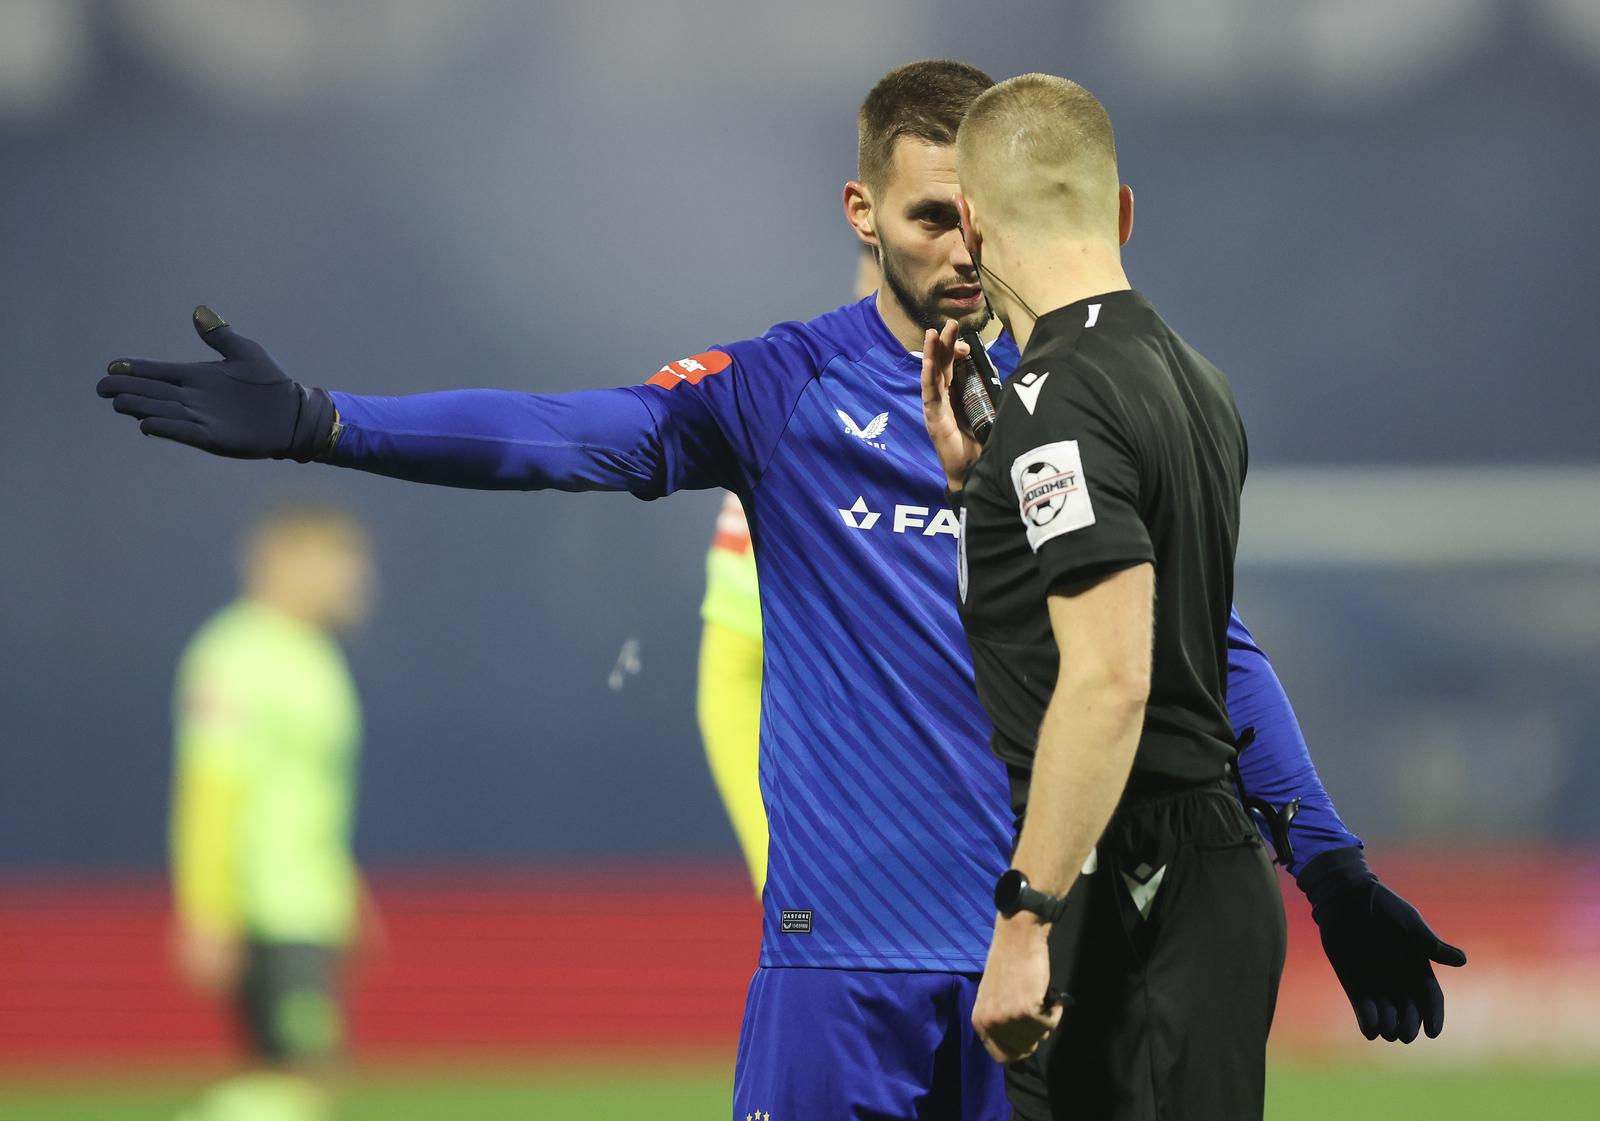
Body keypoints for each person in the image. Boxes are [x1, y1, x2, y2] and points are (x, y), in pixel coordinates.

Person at [98, 61, 1452, 1120]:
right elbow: (568, 435)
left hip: (1037, 965)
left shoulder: (1062, 412)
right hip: (839, 967)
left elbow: (1203, 653)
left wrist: (1325, 855)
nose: (964, 250)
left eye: (977, 216)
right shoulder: (782, 393)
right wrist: (327, 423)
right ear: (864, 215)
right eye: (931, 218)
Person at [920, 74, 1467, 1118]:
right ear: (1121, 208)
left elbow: (1115, 677)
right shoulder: (1191, 379)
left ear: (974, 228)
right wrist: (979, 482)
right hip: (1210, 871)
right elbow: (1198, 644)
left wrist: (1026, 913)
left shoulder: (1056, 402)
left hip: (1123, 882)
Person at [168, 501, 375, 1121]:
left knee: (292, 1076)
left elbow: (308, 796)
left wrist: (346, 891)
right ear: (282, 563)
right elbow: (209, 789)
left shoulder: (313, 655)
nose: (355, 578)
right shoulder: (233, 657)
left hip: (310, 908)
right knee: (297, 1078)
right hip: (268, 910)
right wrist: (206, 910)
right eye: (339, 561)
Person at [697, 246, 881, 895]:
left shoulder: (1046, 411)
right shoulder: (800, 421)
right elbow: (733, 669)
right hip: (856, 877)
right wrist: (781, 860)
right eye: (870, 252)